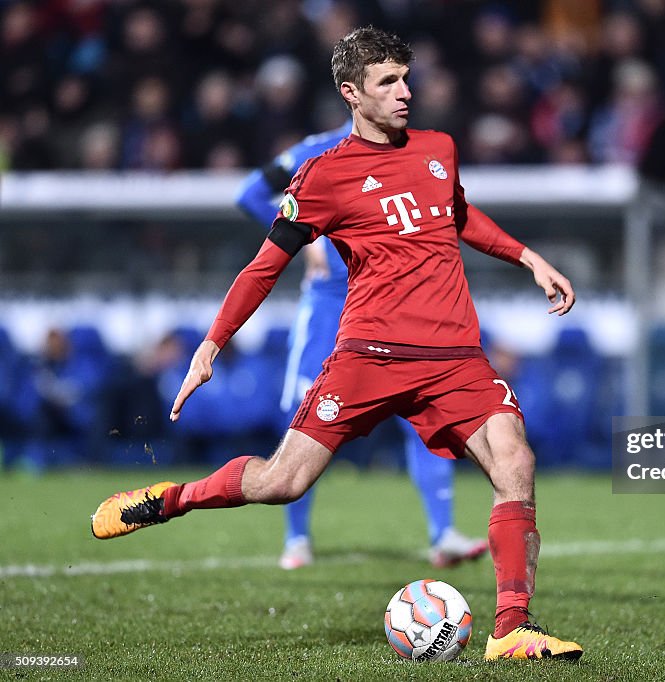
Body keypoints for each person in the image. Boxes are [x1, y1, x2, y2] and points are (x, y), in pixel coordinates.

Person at [91, 27, 583, 661]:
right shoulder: (323, 175)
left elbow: (456, 215)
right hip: (368, 356)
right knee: (281, 482)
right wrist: (212, 343)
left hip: (454, 358)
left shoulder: (438, 148)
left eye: (407, 78)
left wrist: (529, 258)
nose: (406, 92)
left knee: (515, 461)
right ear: (352, 94)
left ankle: (511, 629)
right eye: (388, 82)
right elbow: (263, 266)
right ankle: (167, 500)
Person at [236, 125, 487, 571]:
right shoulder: (312, 151)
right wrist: (297, 237)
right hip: (330, 304)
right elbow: (251, 194)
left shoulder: (411, 150)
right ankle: (297, 540)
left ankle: (442, 533)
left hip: (389, 303)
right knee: (303, 413)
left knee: (426, 411)